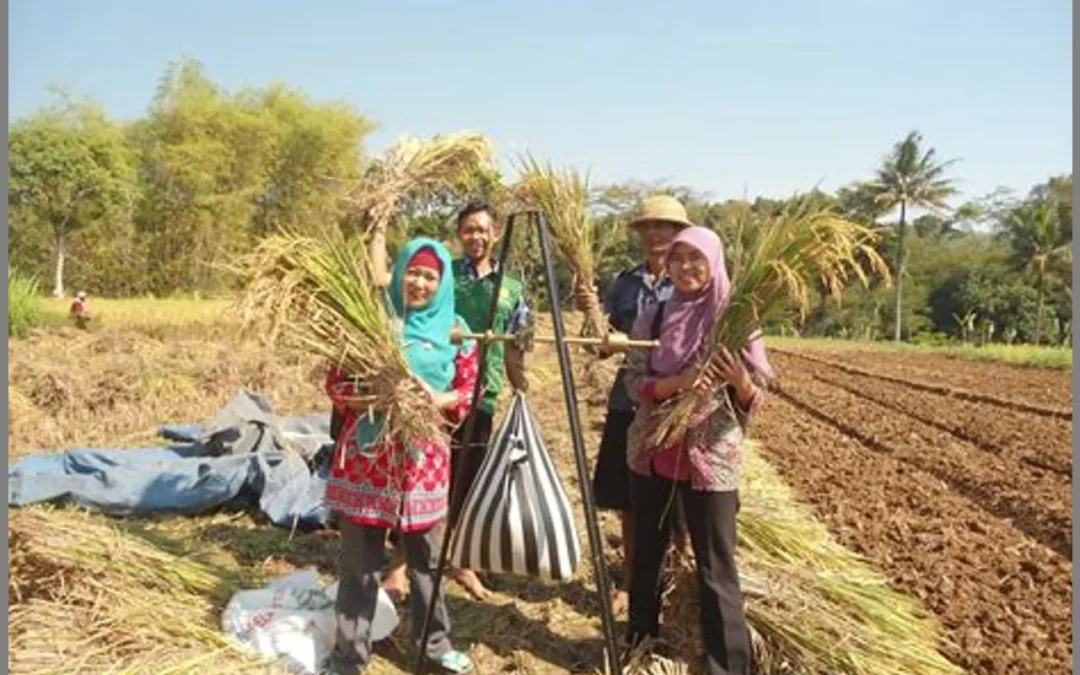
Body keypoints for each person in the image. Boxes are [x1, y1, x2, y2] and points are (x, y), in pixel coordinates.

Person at [623, 225, 773, 675]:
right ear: (667, 264)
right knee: (647, 555)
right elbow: (632, 380)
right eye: (678, 258)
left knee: (716, 566)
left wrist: (739, 381)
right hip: (654, 453)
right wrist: (676, 385)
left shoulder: (737, 318)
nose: (686, 267)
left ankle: (727, 664)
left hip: (710, 460)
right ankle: (640, 643)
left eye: (696, 258)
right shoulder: (656, 311)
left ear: (715, 262)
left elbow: (758, 396)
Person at [325, 238, 478, 675]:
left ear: (443, 282)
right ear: (399, 272)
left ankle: (434, 647)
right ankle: (349, 656)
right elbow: (337, 381)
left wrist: (434, 396)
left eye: (431, 276)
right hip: (369, 459)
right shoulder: (371, 322)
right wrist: (369, 398)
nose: (420, 283)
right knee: (360, 564)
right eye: (413, 271)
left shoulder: (457, 329)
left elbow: (468, 391)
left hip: (423, 460)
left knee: (428, 561)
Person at [574, 195, 694, 617]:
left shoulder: (691, 280)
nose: (657, 234)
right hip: (630, 399)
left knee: (680, 502)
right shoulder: (623, 284)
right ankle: (631, 581)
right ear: (640, 234)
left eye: (666, 227)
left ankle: (680, 578)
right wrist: (593, 314)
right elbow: (602, 349)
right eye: (649, 227)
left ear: (680, 234)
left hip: (678, 404)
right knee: (629, 500)